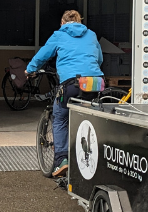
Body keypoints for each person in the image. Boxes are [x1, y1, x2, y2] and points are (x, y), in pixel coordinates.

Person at [26, 10, 103, 177]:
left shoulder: (59, 35)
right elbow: (99, 59)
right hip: (95, 82)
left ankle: (61, 160)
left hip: (72, 82)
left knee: (60, 117)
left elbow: (42, 55)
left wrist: (30, 69)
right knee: (91, 116)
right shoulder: (91, 34)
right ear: (80, 21)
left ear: (62, 23)